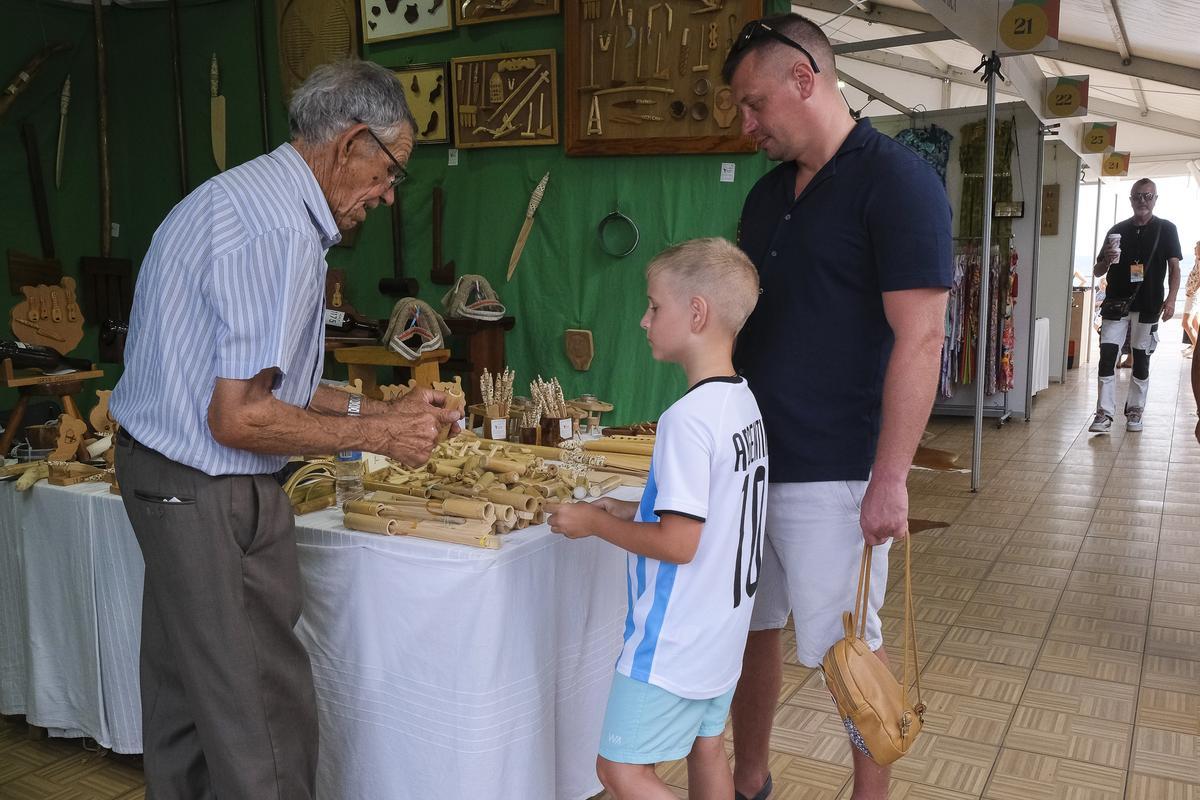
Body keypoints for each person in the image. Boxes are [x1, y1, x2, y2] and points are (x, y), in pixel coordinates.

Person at [109, 60, 461, 799]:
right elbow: (240, 416)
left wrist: (385, 413)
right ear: (353, 142)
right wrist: (381, 440)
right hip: (208, 490)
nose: (388, 194)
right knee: (262, 721)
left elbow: (272, 388)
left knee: (186, 711)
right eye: (390, 171)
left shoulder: (243, 198)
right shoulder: (279, 234)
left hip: (165, 478)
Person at [721, 14, 952, 800]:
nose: (746, 124)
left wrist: (891, 478)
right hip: (753, 464)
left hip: (837, 471)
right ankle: (749, 780)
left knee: (849, 653)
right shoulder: (765, 196)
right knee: (751, 630)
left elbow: (922, 337)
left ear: (805, 79)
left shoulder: (896, 182)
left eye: (754, 104)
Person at [545, 238, 766, 800]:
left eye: (654, 306)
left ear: (696, 313)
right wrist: (630, 509)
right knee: (707, 745)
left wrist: (594, 524)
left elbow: (679, 543)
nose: (644, 320)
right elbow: (715, 513)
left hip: (676, 638)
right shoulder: (743, 402)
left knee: (620, 772)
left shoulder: (685, 420)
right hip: (723, 629)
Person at [1089, 179, 1182, 433]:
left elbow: (1175, 268)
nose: (1143, 200)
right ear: (1131, 199)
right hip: (1116, 304)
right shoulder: (1117, 230)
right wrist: (1107, 261)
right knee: (1108, 356)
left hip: (1149, 304)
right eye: (1138, 196)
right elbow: (1097, 271)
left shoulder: (1166, 229)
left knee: (1141, 358)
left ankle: (1135, 410)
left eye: (1148, 196)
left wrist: (1171, 299)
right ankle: (1104, 413)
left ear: (1155, 199)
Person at [1181, 242, 1200, 357]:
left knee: (1186, 323)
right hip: (1193, 295)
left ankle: (1197, 350)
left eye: (1196, 247)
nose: (1194, 248)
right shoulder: (1197, 260)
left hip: (1194, 296)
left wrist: (1194, 290)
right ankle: (1195, 347)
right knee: (1195, 323)